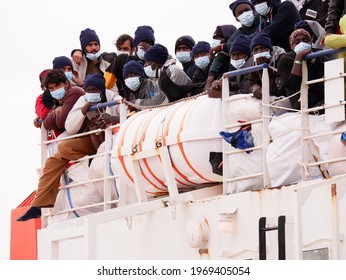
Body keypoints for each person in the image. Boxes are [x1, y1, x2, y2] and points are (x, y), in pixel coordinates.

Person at [17, 74, 119, 222]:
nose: (91, 93)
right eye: (88, 90)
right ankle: (38, 205)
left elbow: (60, 122)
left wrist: (112, 119)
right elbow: (68, 126)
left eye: (94, 89)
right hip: (93, 139)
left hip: (112, 138)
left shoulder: (84, 94)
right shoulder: (82, 98)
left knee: (62, 149)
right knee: (54, 159)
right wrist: (84, 108)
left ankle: (39, 205)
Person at [205, 0, 260, 89]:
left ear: (253, 10)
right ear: (236, 18)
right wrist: (210, 80)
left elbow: (259, 38)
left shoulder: (263, 21)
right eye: (240, 13)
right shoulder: (239, 33)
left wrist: (222, 46)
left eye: (246, 10)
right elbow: (223, 52)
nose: (244, 14)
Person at [277, 28, 326, 109]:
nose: (302, 43)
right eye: (297, 42)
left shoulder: (318, 55)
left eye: (305, 41)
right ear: (292, 46)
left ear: (311, 43)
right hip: (303, 104)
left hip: (325, 98)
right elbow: (292, 84)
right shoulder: (285, 61)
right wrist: (299, 57)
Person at [104, 26, 155, 98]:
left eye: (149, 43)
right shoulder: (122, 60)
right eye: (141, 43)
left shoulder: (157, 62)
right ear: (135, 45)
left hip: (155, 105)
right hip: (130, 105)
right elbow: (105, 85)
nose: (144, 46)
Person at [248, 32, 286, 99]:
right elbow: (251, 82)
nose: (259, 52)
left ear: (270, 49)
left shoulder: (282, 60)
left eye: (262, 48)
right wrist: (254, 87)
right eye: (256, 50)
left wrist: (264, 69)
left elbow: (277, 91)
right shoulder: (254, 64)